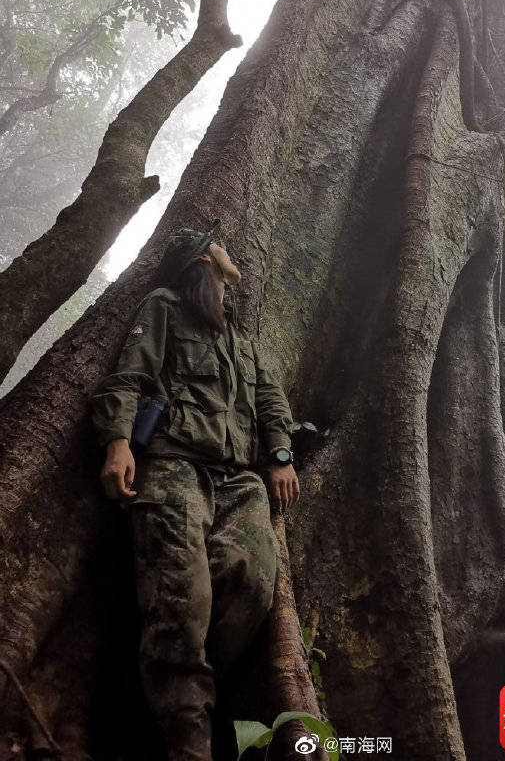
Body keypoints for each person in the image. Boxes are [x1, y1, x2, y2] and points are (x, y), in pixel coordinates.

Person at [90, 220, 300, 761]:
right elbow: (127, 377)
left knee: (253, 580)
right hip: (173, 469)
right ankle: (186, 738)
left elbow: (271, 401)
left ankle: (190, 684)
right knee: (182, 603)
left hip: (238, 481)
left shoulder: (239, 336)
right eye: (218, 243)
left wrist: (279, 456)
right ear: (205, 259)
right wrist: (118, 443)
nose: (228, 248)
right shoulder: (165, 306)